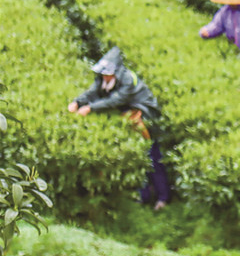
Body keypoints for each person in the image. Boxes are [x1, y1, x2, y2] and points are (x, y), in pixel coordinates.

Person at [67, 47, 170, 211]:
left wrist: (90, 108)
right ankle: (143, 197)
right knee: (136, 156)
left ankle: (162, 197)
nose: (105, 76)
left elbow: (116, 100)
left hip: (145, 117)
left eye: (109, 74)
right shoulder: (102, 79)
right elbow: (93, 92)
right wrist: (77, 102)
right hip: (128, 117)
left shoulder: (127, 80)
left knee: (152, 156)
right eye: (104, 74)